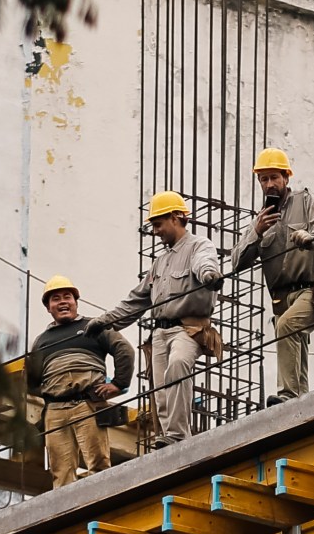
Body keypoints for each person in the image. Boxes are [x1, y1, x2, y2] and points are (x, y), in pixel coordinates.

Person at [85, 191, 223, 449]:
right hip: (160, 333)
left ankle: (179, 436)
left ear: (176, 217)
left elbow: (205, 265)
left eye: (158, 224)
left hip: (187, 329)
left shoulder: (199, 246)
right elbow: (136, 301)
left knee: (179, 364)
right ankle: (170, 440)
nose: (155, 231)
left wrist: (209, 276)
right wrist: (104, 321)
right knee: (160, 389)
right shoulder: (159, 263)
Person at [232, 147, 314, 406]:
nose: (269, 184)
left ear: (286, 178)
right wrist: (256, 232)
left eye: (274, 178)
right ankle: (301, 402)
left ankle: (288, 396)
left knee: (287, 326)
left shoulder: (306, 201)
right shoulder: (260, 220)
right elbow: (236, 262)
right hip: (282, 297)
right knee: (293, 338)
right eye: (264, 179)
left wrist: (309, 237)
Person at [26, 275, 135, 487]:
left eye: (67, 296)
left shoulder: (93, 327)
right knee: (61, 471)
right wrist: (50, 391)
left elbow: (124, 350)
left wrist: (119, 384)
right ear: (49, 307)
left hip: (86, 404)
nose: (63, 302)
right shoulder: (41, 341)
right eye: (56, 299)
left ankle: (100, 509)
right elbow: (31, 379)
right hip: (55, 410)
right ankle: (68, 516)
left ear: (76, 302)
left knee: (98, 463)